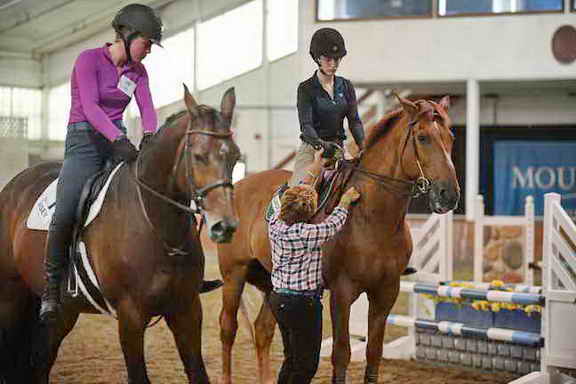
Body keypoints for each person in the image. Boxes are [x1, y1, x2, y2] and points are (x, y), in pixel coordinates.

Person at [39, 3, 219, 323]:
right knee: (66, 208)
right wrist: (117, 140)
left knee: (159, 192)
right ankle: (52, 286)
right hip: (84, 143)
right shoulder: (88, 61)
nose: (148, 50)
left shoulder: (138, 71)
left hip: (116, 141)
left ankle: (185, 274)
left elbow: (147, 107)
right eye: (147, 43)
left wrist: (150, 135)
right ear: (127, 35)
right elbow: (92, 108)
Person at [268, 150, 361, 384]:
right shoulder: (308, 233)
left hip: (278, 299)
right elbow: (335, 222)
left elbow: (295, 193)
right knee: (306, 366)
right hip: (303, 305)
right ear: (309, 214)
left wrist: (315, 167)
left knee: (291, 359)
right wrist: (345, 201)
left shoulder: (274, 223)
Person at [290, 27, 365, 186]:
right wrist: (321, 145)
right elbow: (306, 125)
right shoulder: (306, 89)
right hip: (312, 150)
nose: (334, 64)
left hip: (339, 149)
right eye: (328, 59)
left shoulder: (346, 86)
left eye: (337, 59)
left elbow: (354, 121)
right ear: (317, 59)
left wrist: (363, 146)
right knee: (298, 193)